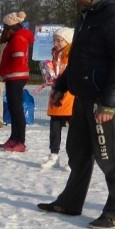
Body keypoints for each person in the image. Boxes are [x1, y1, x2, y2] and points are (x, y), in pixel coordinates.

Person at [38, 0, 115, 229]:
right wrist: (63, 84)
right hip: (84, 96)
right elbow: (78, 59)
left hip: (106, 100)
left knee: (110, 156)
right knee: (77, 151)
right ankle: (71, 201)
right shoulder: (89, 14)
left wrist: (108, 103)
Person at [36, 27, 74, 171]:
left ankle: (73, 158)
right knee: (55, 125)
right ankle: (54, 154)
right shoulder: (55, 54)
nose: (56, 43)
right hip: (56, 93)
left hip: (69, 94)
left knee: (74, 128)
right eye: (54, 40)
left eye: (59, 40)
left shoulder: (72, 54)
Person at [0, 11, 34, 152]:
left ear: (11, 26)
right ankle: (14, 138)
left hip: (16, 76)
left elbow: (18, 57)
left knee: (17, 109)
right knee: (14, 108)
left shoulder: (18, 38)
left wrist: (6, 68)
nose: (3, 28)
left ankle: (20, 141)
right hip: (14, 76)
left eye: (5, 25)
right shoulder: (17, 37)